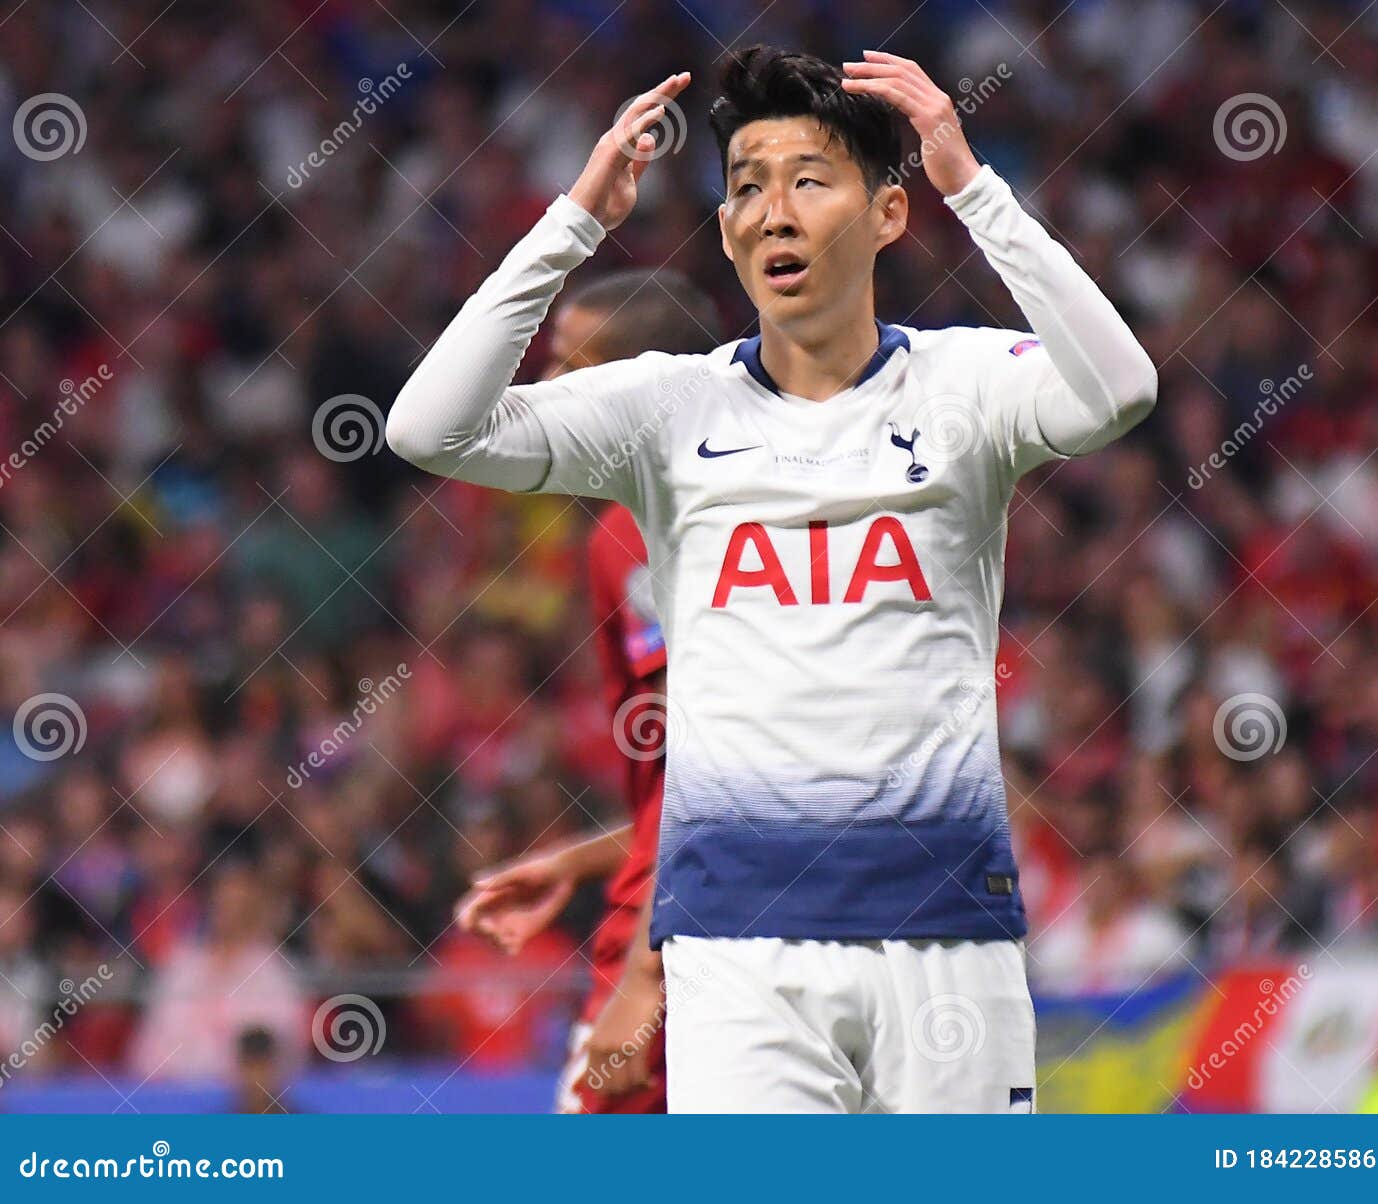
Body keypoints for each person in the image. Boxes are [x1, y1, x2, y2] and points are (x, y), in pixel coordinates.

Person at [388, 44, 1157, 1112]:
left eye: (808, 179)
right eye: (746, 186)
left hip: (944, 933)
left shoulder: (966, 383)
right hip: (735, 950)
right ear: (724, 232)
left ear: (887, 213)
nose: (772, 211)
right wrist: (576, 222)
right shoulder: (666, 410)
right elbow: (429, 426)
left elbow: (1121, 388)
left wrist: (971, 187)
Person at [455, 269, 721, 1112]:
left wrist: (644, 980)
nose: (544, 391)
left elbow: (716, 766)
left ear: (639, 382)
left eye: (571, 366)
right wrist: (574, 859)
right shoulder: (659, 516)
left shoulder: (645, 533)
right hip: (733, 911)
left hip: (687, 932)